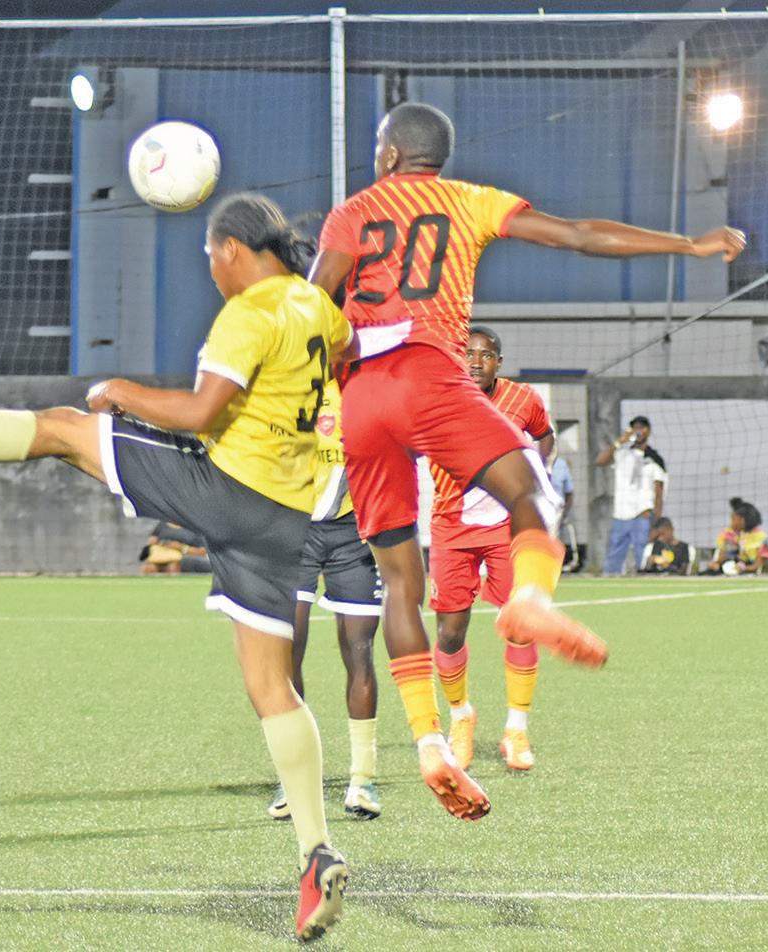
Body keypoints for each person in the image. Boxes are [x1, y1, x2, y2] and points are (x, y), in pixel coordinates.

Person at [0, 193, 354, 942]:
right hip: (284, 514)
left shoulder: (249, 313)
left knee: (64, 428)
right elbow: (346, 353)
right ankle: (315, 851)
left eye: (209, 256)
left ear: (233, 249)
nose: (210, 270)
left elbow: (201, 412)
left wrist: (122, 393)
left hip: (226, 488)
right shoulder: (316, 307)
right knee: (273, 688)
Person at [306, 101, 744, 813]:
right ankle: (531, 599)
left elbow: (309, 308)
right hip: (431, 379)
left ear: (387, 156)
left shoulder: (351, 213)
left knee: (398, 583)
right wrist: (689, 246)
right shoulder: (470, 200)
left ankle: (428, 743)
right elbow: (578, 235)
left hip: (361, 402)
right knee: (532, 491)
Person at [427, 326, 558, 772]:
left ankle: (516, 729)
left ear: (499, 362)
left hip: (506, 527)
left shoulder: (523, 399)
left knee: (520, 625)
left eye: (486, 355)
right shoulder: (438, 398)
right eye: (468, 353)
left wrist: (540, 473)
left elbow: (544, 433)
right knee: (450, 632)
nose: (476, 361)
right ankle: (460, 716)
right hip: (452, 526)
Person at [269, 376, 384, 823]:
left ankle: (362, 779)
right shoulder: (290, 383)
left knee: (359, 651)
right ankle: (293, 777)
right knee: (286, 650)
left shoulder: (365, 388)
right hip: (294, 531)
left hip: (354, 535)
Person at [596, 415, 668, 575]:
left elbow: (659, 492)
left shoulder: (654, 459)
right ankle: (611, 578)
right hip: (621, 514)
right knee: (615, 554)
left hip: (643, 514)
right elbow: (600, 461)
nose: (638, 431)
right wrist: (620, 442)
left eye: (642, 427)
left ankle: (644, 578)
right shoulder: (622, 453)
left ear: (648, 431)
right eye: (635, 427)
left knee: (643, 555)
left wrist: (656, 519)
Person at [705, 497, 768, 575]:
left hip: (747, 574)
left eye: (733, 519)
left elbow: (756, 566)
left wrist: (742, 568)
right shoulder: (728, 534)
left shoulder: (762, 538)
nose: (731, 523)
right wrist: (714, 564)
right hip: (726, 571)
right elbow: (722, 558)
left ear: (742, 520)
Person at [547, 447, 579, 572]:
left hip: (556, 512)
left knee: (552, 542)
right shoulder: (531, 461)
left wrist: (564, 513)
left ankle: (552, 569)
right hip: (536, 511)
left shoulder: (561, 464)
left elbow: (569, 493)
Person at [140, 522, 210, 574]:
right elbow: (149, 540)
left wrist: (180, 547)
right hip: (158, 555)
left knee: (172, 566)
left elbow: (202, 552)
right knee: (149, 567)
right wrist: (151, 541)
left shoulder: (192, 529)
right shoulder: (159, 525)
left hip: (181, 556)